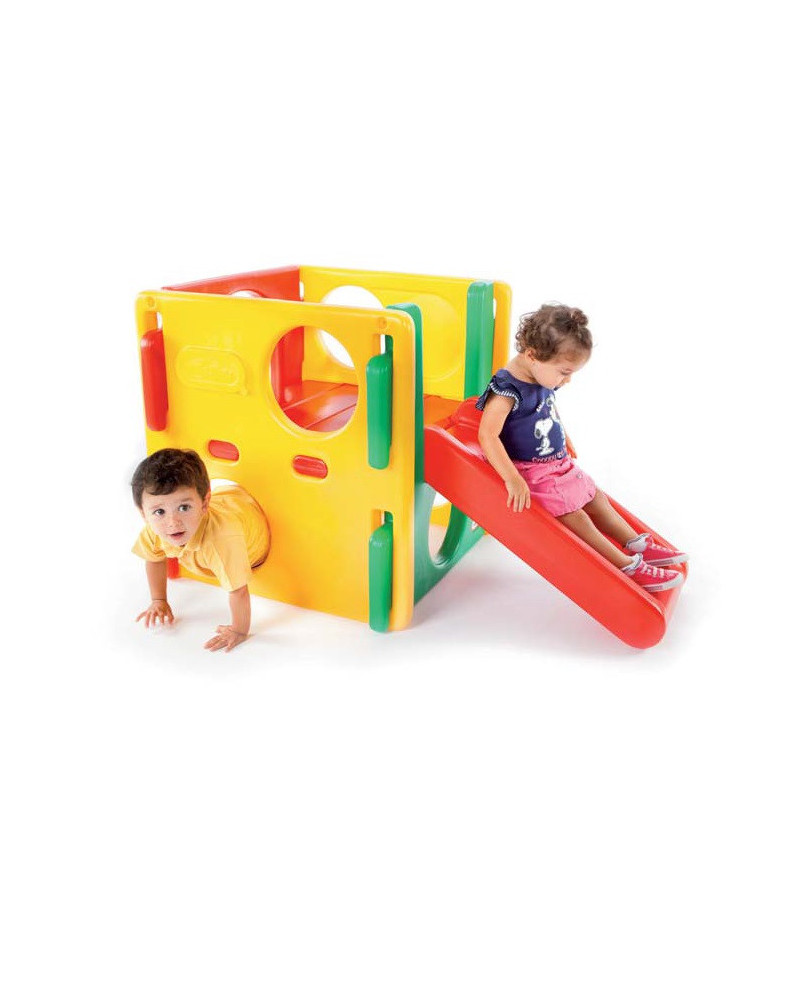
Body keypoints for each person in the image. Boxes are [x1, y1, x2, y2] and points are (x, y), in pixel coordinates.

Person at [476, 304, 686, 592]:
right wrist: (512, 479)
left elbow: (545, 410)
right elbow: (487, 435)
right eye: (564, 372)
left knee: (595, 496)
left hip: (555, 464)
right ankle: (626, 565)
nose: (567, 380)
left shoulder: (541, 373)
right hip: (531, 472)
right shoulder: (507, 389)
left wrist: (564, 436)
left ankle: (635, 542)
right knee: (577, 516)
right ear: (532, 355)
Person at [131, 449, 270, 651]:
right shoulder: (155, 531)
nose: (173, 522)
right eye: (159, 511)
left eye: (184, 508)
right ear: (144, 514)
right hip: (229, 501)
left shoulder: (221, 540)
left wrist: (239, 630)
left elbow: (238, 591)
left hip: (253, 531)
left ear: (204, 504)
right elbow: (154, 559)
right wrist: (158, 599)